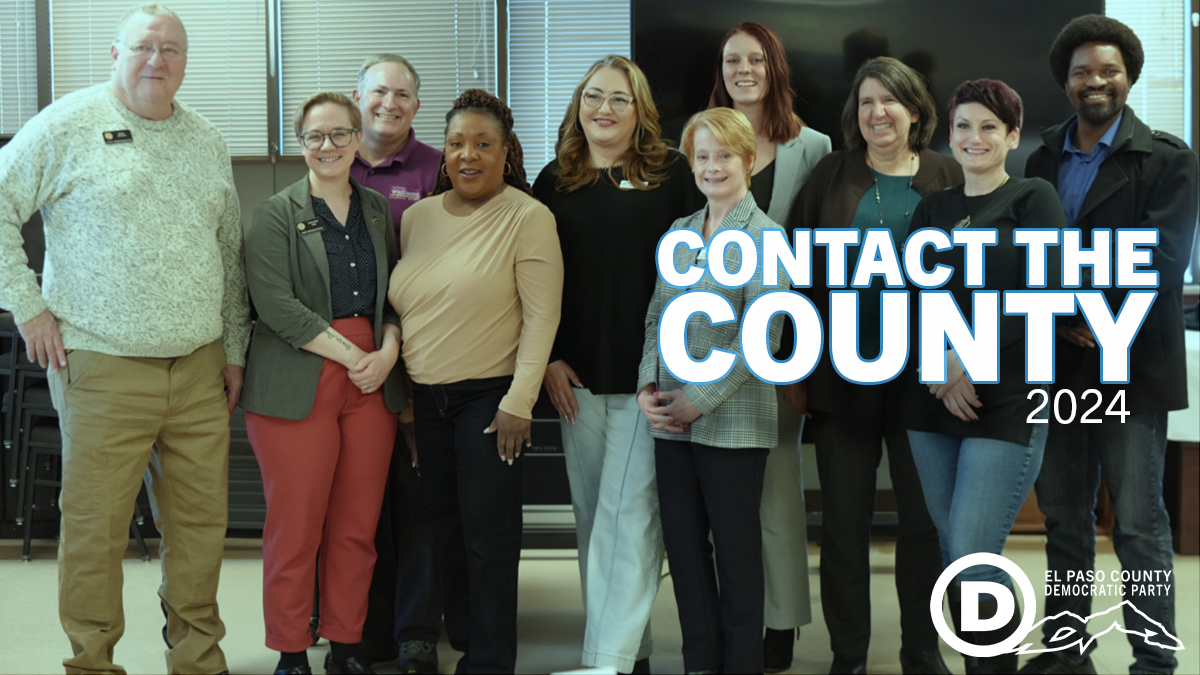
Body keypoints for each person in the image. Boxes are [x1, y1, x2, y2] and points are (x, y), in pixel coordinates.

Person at [0, 5, 249, 673]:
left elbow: (227, 252)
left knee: (199, 528)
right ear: (115, 52)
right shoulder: (66, 124)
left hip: (197, 368)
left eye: (171, 49)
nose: (156, 60)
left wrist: (232, 349)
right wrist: (27, 307)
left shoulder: (206, 139)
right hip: (102, 363)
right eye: (143, 46)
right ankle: (91, 660)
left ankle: (197, 656)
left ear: (185, 62)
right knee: (95, 530)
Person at [1019, 15, 1199, 675]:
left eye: (1108, 70)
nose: (1095, 81)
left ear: (1128, 77)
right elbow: (1033, 254)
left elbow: (1162, 257)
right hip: (1059, 363)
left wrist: (1098, 313)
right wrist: (1063, 313)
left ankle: (1153, 658)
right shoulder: (1041, 157)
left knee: (1139, 523)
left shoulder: (1169, 158)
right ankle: (1068, 649)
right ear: (1065, 83)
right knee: (1066, 517)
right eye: (1081, 73)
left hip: (1129, 365)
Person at [786, 56, 961, 675]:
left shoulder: (949, 174)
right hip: (841, 381)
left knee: (923, 525)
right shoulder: (830, 174)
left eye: (891, 101)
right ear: (854, 116)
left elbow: (975, 279)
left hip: (926, 385)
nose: (878, 113)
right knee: (842, 527)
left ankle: (921, 650)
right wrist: (795, 368)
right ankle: (849, 656)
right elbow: (798, 278)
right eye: (866, 103)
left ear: (916, 110)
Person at [534, 55, 699, 675]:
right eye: (593, 97)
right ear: (579, 104)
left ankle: (605, 661)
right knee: (592, 517)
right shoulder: (555, 180)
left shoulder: (672, 173)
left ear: (641, 111)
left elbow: (696, 276)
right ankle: (636, 654)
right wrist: (547, 357)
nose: (604, 109)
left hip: (647, 375)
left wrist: (679, 365)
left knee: (629, 516)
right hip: (574, 377)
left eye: (619, 100)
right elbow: (532, 280)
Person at [388, 89, 563, 674]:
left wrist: (519, 403)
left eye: (483, 145)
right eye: (458, 143)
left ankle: (490, 661)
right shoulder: (418, 218)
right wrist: (410, 405)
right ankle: (463, 637)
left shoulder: (528, 216)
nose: (469, 155)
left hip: (491, 399)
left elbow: (542, 317)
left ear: (505, 151)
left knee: (489, 537)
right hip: (426, 401)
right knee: (446, 528)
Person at [903, 79, 1065, 675]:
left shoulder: (1032, 197)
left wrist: (966, 361)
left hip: (1008, 396)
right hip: (931, 395)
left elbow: (1043, 293)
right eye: (964, 126)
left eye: (989, 127)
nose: (974, 138)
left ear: (1013, 136)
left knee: (973, 548)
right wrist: (940, 366)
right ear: (950, 133)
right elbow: (911, 297)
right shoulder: (933, 207)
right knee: (956, 554)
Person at [242, 91, 405, 675]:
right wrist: (350, 355)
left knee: (357, 528)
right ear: (301, 143)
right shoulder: (275, 213)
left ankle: (345, 646)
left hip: (372, 379)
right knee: (297, 526)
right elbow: (277, 307)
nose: (328, 146)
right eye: (316, 136)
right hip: (298, 375)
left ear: (358, 140)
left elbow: (394, 297)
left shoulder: (376, 211)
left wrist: (387, 350)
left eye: (340, 134)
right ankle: (291, 652)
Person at [637, 106, 780, 675]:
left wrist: (703, 397)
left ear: (748, 160)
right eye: (702, 157)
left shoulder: (766, 235)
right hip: (670, 420)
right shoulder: (678, 232)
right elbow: (655, 317)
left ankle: (741, 665)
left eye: (724, 155)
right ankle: (701, 661)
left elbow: (764, 335)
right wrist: (649, 381)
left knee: (737, 555)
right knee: (685, 551)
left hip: (734, 423)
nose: (712, 167)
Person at [708, 22, 832, 672]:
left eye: (756, 58)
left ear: (774, 67)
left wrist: (800, 358)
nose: (744, 68)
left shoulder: (812, 146)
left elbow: (815, 265)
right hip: (710, 341)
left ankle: (780, 622)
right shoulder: (702, 139)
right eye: (733, 59)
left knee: (777, 488)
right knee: (724, 495)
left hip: (782, 342)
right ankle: (738, 616)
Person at [349, 52, 444, 675]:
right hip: (347, 360)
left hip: (420, 356)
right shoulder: (329, 156)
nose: (390, 103)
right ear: (358, 97)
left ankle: (415, 633)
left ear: (416, 104)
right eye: (379, 92)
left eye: (403, 94)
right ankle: (361, 629)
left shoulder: (438, 169)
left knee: (416, 498)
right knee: (358, 502)